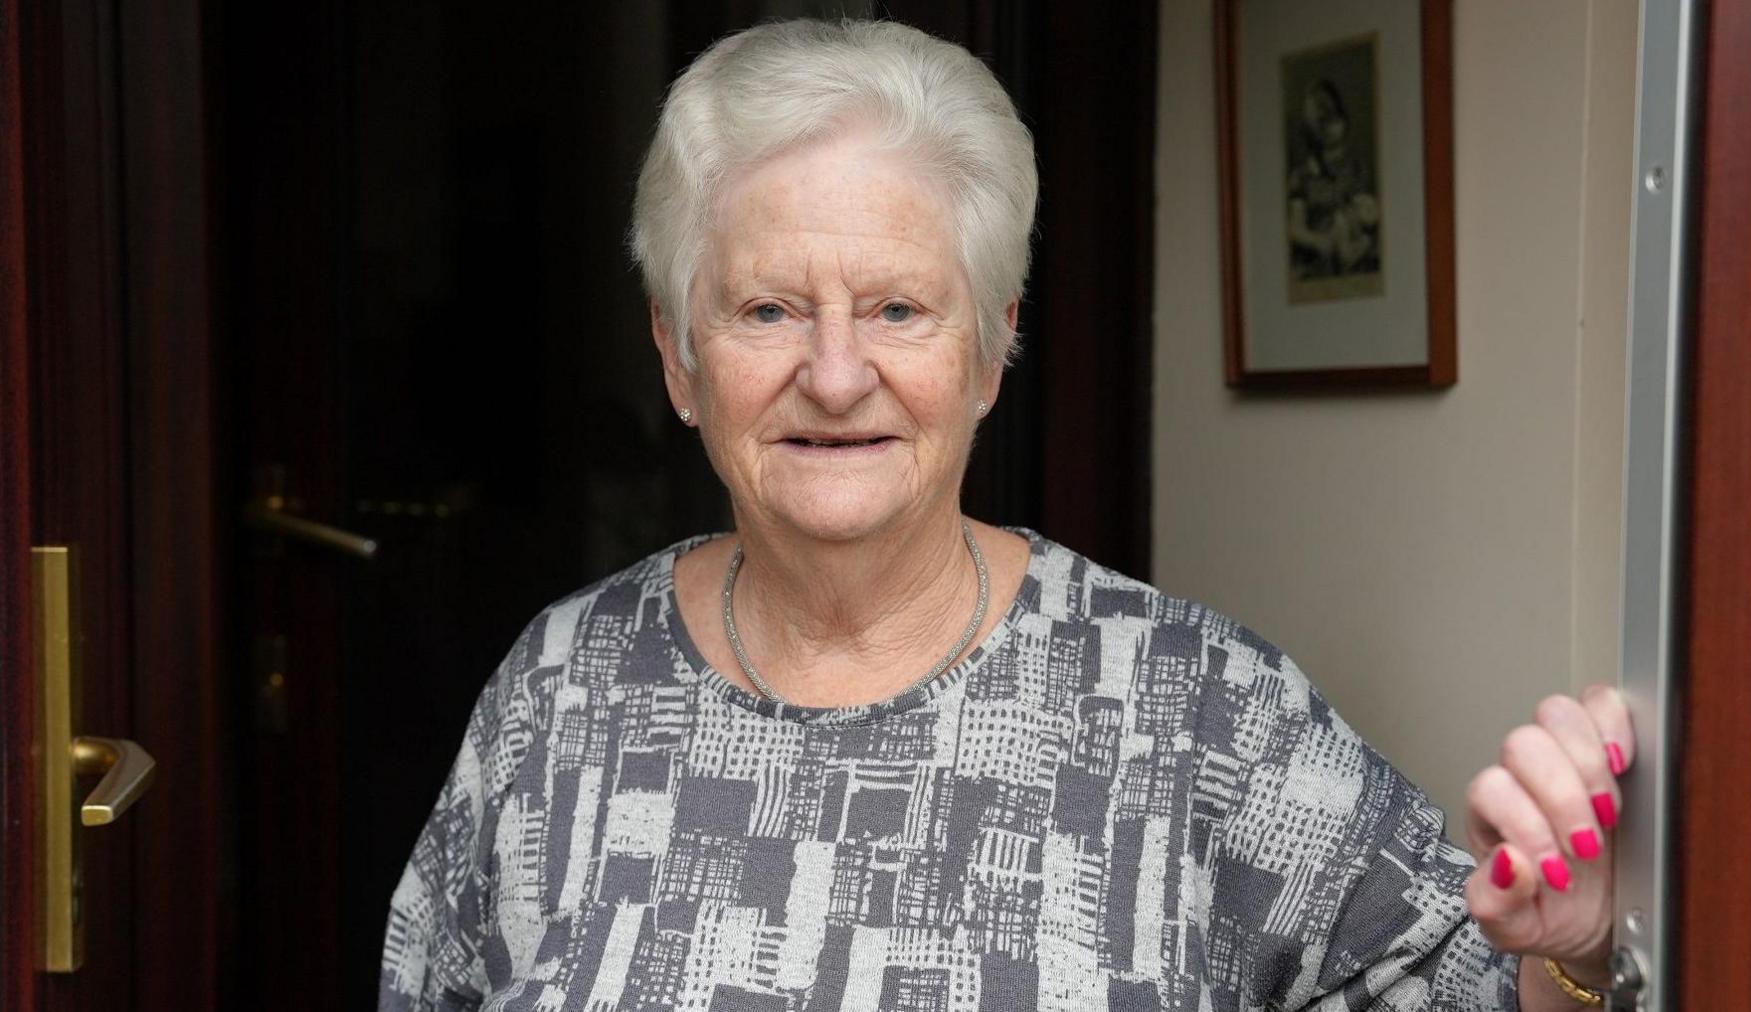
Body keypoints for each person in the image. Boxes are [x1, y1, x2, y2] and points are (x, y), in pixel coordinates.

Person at [379, 19, 1633, 1012]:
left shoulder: (1194, 710)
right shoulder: (559, 690)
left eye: (898, 310)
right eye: (766, 310)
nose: (832, 372)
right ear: (677, 357)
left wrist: (1566, 957)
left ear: (988, 352)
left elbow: (1467, 986)